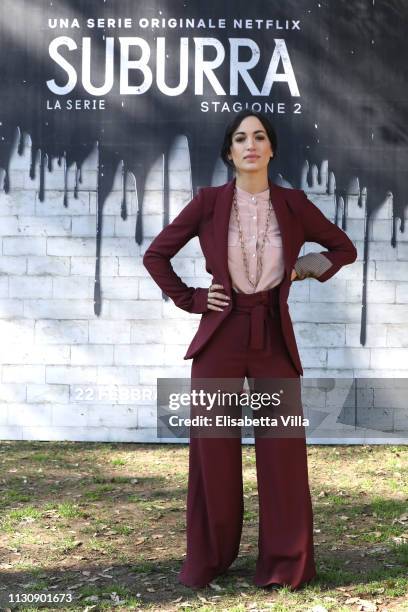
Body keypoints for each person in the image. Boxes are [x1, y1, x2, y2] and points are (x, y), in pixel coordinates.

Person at [143, 110, 358, 590]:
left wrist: (303, 268)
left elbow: (343, 248)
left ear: (272, 148)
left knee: (282, 452)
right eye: (241, 138)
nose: (251, 144)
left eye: (259, 136)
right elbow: (156, 254)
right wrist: (193, 299)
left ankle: (286, 563)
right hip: (220, 336)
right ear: (229, 152)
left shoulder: (293, 203)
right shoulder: (209, 201)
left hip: (272, 337)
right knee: (212, 452)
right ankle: (210, 558)